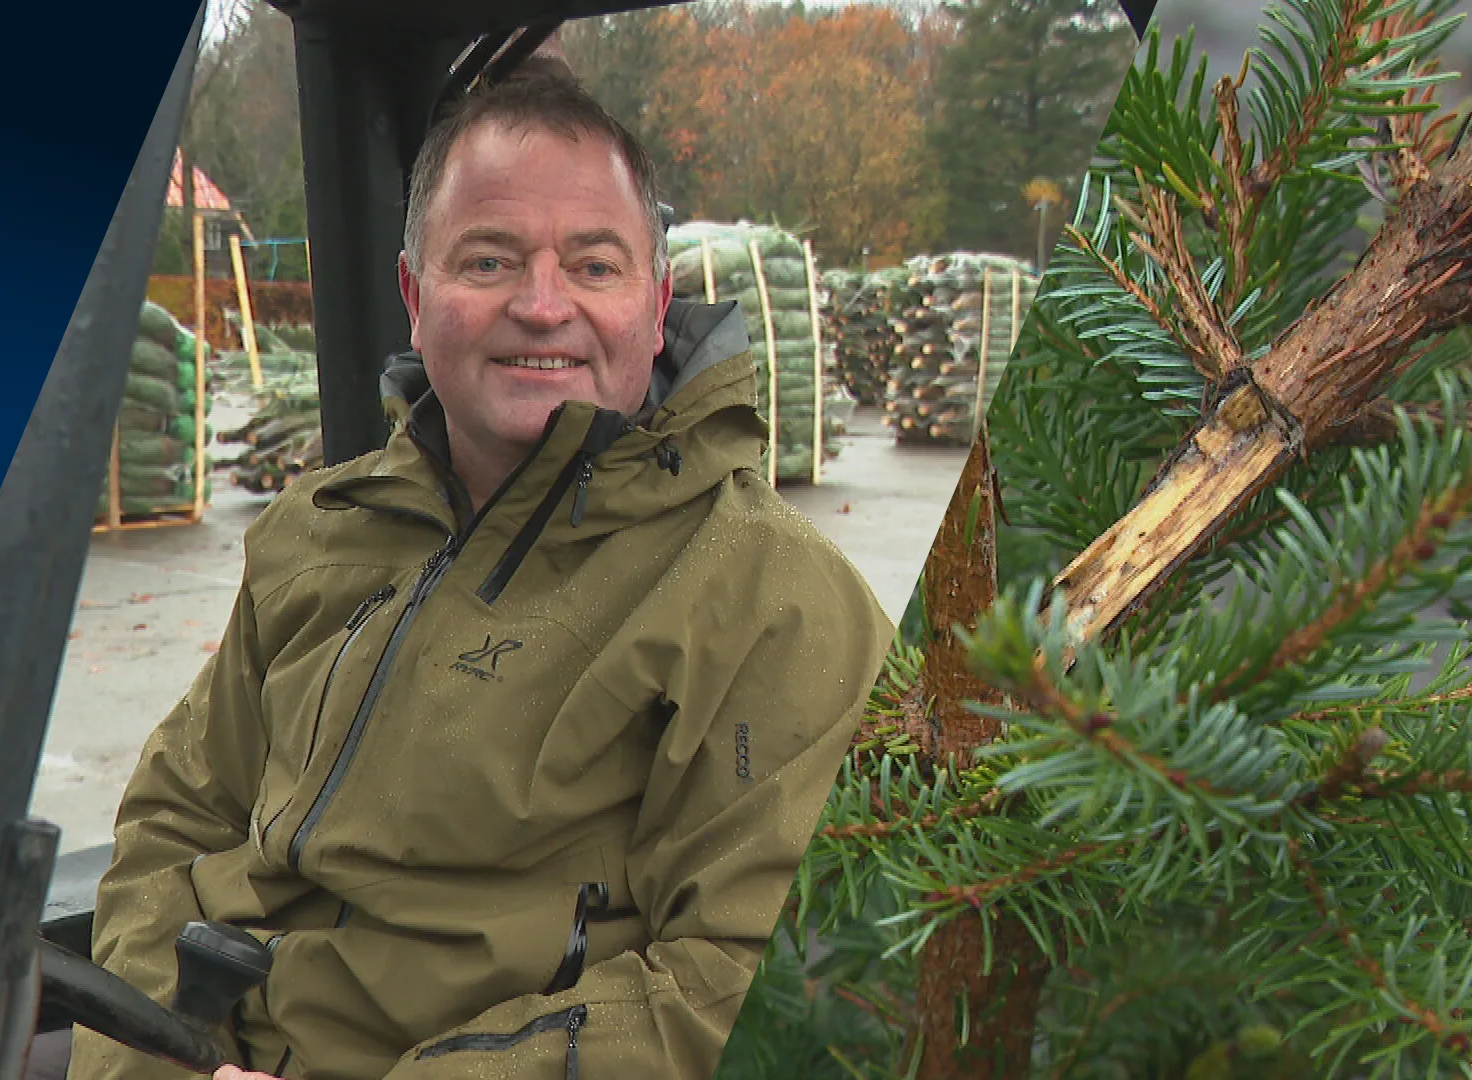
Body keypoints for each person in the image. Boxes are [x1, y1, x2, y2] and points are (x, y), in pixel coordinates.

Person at [59, 55, 891, 1080]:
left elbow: (750, 978)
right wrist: (151, 1058)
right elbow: (175, 823)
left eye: (593, 266)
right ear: (416, 294)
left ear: (656, 295)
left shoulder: (770, 597)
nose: (543, 308)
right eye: (489, 261)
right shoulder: (318, 529)